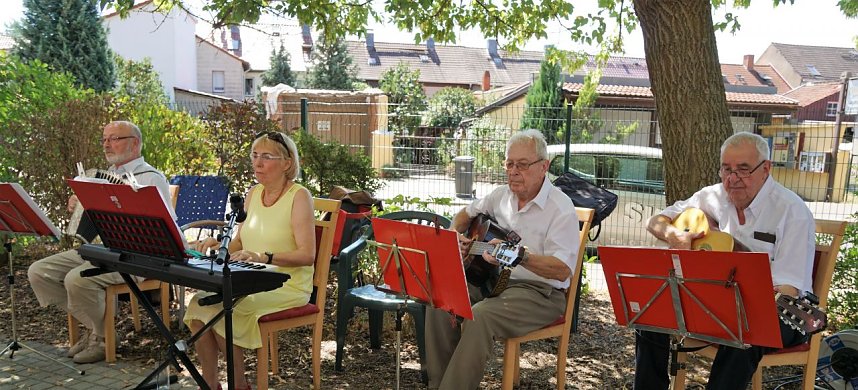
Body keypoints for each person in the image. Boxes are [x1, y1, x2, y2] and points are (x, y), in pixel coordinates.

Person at [634, 131, 814, 389]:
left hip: (783, 312)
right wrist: (674, 235)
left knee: (744, 330)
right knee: (651, 313)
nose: (733, 179)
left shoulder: (792, 212)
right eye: (726, 169)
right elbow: (656, 221)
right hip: (717, 301)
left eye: (743, 169)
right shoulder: (712, 196)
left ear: (766, 169)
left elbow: (788, 288)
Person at [425, 129, 581, 389]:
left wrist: (518, 257)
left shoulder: (560, 208)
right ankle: (440, 384)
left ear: (544, 166)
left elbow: (562, 270)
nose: (513, 171)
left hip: (540, 293)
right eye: (509, 163)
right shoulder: (500, 196)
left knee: (480, 316)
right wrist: (456, 237)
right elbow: (464, 214)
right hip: (494, 282)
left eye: (522, 164)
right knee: (442, 300)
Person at [28, 120, 175, 364]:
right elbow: (90, 225)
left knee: (76, 279)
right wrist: (78, 207)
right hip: (103, 249)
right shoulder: (102, 177)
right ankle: (100, 329)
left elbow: (162, 228)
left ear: (135, 143)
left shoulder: (151, 178)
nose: (107, 144)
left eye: (114, 139)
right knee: (38, 272)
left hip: (140, 255)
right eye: (105, 139)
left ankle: (101, 339)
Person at [184, 131, 315, 390]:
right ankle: (209, 384)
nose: (257, 163)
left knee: (227, 311)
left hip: (285, 285)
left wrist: (264, 256)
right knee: (199, 304)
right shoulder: (254, 193)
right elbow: (240, 242)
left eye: (266, 156)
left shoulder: (299, 196)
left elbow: (307, 255)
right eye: (255, 156)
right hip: (249, 277)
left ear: (287, 163)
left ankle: (239, 384)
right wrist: (218, 245)